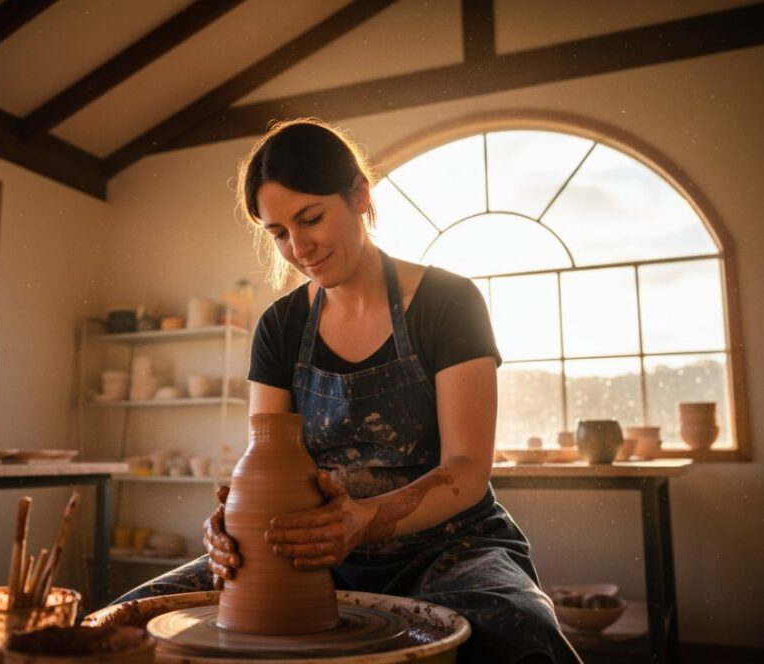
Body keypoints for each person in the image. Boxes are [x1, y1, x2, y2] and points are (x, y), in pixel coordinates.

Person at [115, 118, 581, 663]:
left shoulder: (449, 302)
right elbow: (264, 458)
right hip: (315, 550)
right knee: (132, 621)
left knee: (518, 628)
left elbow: (467, 470)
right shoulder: (280, 327)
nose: (299, 247)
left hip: (450, 545)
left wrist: (365, 519)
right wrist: (227, 527)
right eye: (279, 233)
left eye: (311, 218)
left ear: (359, 194)